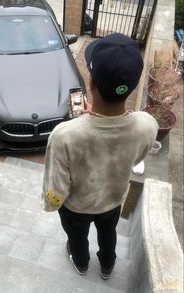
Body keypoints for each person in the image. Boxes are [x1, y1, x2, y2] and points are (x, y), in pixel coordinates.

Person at [40, 33, 158, 280]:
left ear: (91, 82)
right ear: (133, 85)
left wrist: (51, 205)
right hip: (113, 201)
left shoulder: (65, 135)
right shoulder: (147, 125)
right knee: (108, 232)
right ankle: (107, 265)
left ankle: (81, 262)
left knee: (77, 237)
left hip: (76, 208)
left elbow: (56, 188)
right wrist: (96, 114)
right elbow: (134, 157)